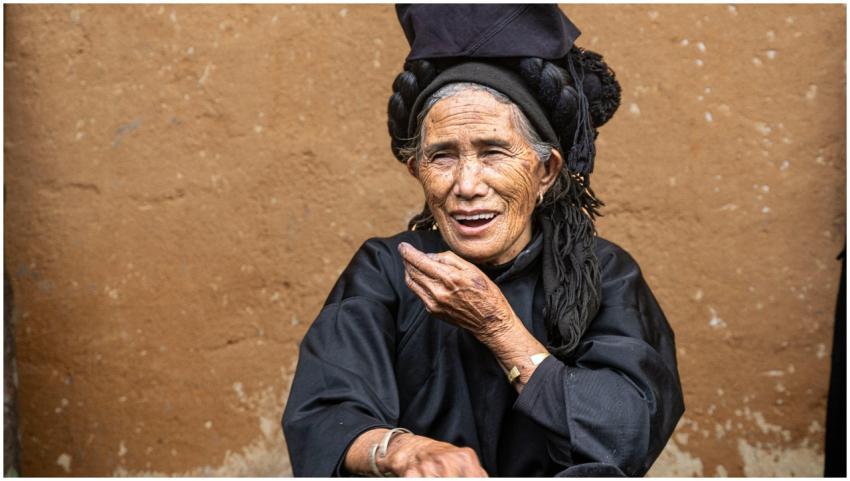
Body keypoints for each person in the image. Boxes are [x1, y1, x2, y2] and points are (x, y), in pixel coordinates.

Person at [282, 5, 684, 477]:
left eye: (493, 152)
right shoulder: (386, 271)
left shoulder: (603, 274)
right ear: (417, 172)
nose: (467, 184)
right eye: (442, 157)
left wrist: (498, 327)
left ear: (546, 171)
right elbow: (325, 414)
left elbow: (627, 432)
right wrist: (403, 452)